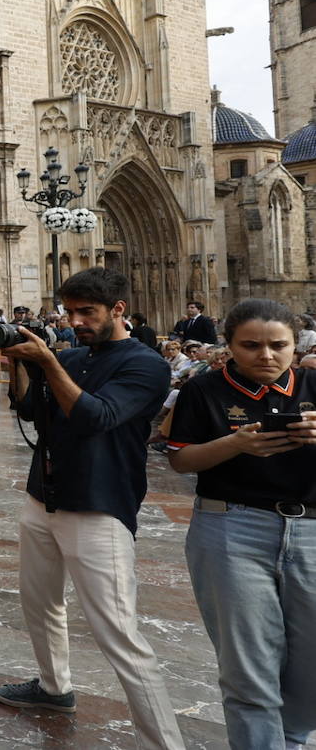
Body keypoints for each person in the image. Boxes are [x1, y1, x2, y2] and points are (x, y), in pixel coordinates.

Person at [0, 267, 184, 750]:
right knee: (40, 606)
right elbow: (32, 412)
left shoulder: (145, 364)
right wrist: (21, 364)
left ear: (117, 310)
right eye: (70, 311)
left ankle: (163, 742)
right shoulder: (73, 355)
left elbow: (96, 415)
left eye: (87, 312)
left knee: (119, 635)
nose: (75, 321)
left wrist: (49, 363)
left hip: (98, 508)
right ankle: (54, 687)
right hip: (44, 498)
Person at [165, 298, 316, 749]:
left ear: (296, 345)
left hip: (310, 527)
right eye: (251, 345)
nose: (266, 356)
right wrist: (235, 445)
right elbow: (180, 460)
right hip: (232, 526)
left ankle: (290, 738)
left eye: (278, 346)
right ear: (228, 345)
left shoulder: (313, 383)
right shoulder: (204, 390)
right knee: (249, 662)